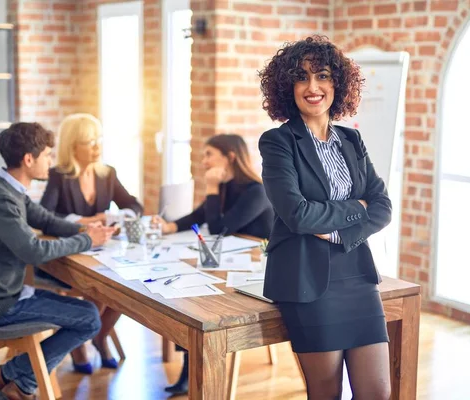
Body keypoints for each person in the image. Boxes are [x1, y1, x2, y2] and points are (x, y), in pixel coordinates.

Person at [257, 35, 393, 400]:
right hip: (307, 282)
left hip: (358, 278)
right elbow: (298, 215)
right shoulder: (278, 142)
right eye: (302, 78)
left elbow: (381, 207)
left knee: (377, 394)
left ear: (338, 83)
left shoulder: (351, 140)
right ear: (288, 87)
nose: (313, 87)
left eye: (322, 76)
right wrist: (356, 209)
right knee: (325, 393)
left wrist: (336, 230)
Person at [0, 122, 114, 399]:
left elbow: (45, 219)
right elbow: (34, 251)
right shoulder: (1, 199)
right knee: (89, 318)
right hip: (2, 304)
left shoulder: (7, 189)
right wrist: (87, 241)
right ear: (28, 159)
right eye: (47, 154)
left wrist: (87, 231)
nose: (51, 160)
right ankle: (16, 380)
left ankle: (9, 377)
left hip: (2, 292)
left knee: (86, 314)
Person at [152, 133, 274, 395]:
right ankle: (190, 368)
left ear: (229, 157)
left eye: (209, 154)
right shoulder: (226, 185)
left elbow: (220, 227)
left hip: (257, 272)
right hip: (231, 263)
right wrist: (171, 226)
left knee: (197, 298)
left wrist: (210, 188)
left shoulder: (257, 190)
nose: (203, 161)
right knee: (188, 293)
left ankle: (199, 375)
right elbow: (201, 215)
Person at [39, 113, 142, 373]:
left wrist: (118, 218)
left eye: (99, 140)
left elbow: (134, 205)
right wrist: (86, 220)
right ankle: (82, 341)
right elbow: (45, 217)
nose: (97, 146)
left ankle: (100, 334)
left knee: (124, 284)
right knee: (101, 286)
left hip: (102, 252)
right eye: (89, 141)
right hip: (67, 257)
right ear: (73, 146)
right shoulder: (59, 175)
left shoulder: (107, 173)